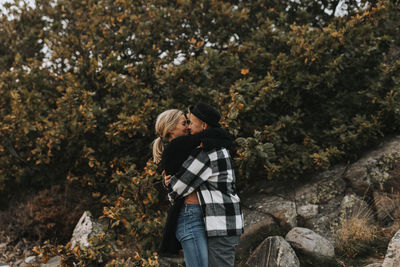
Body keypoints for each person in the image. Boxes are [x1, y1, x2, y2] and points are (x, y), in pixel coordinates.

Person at [165, 103, 244, 267]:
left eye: (192, 123)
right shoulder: (217, 147)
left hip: (221, 223)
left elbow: (178, 186)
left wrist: (169, 183)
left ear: (204, 125)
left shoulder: (207, 153)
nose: (189, 128)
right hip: (225, 222)